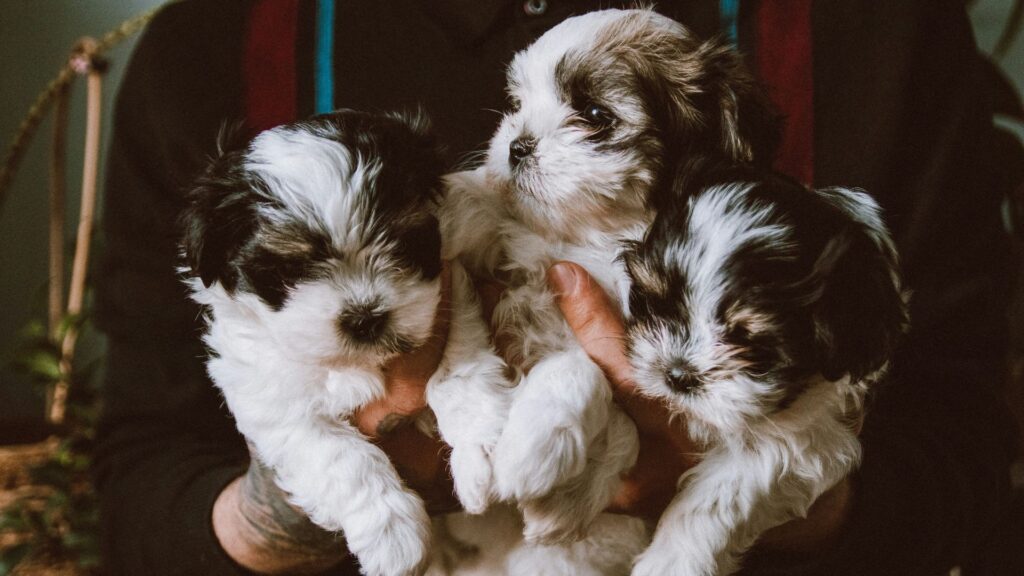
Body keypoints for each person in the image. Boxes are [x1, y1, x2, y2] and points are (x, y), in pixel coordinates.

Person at [93, 1, 1019, 574]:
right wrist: (303, 501)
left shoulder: (884, 29)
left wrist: (756, 499)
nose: (518, 146)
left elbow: (964, 453)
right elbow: (141, 487)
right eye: (512, 110)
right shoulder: (209, 48)